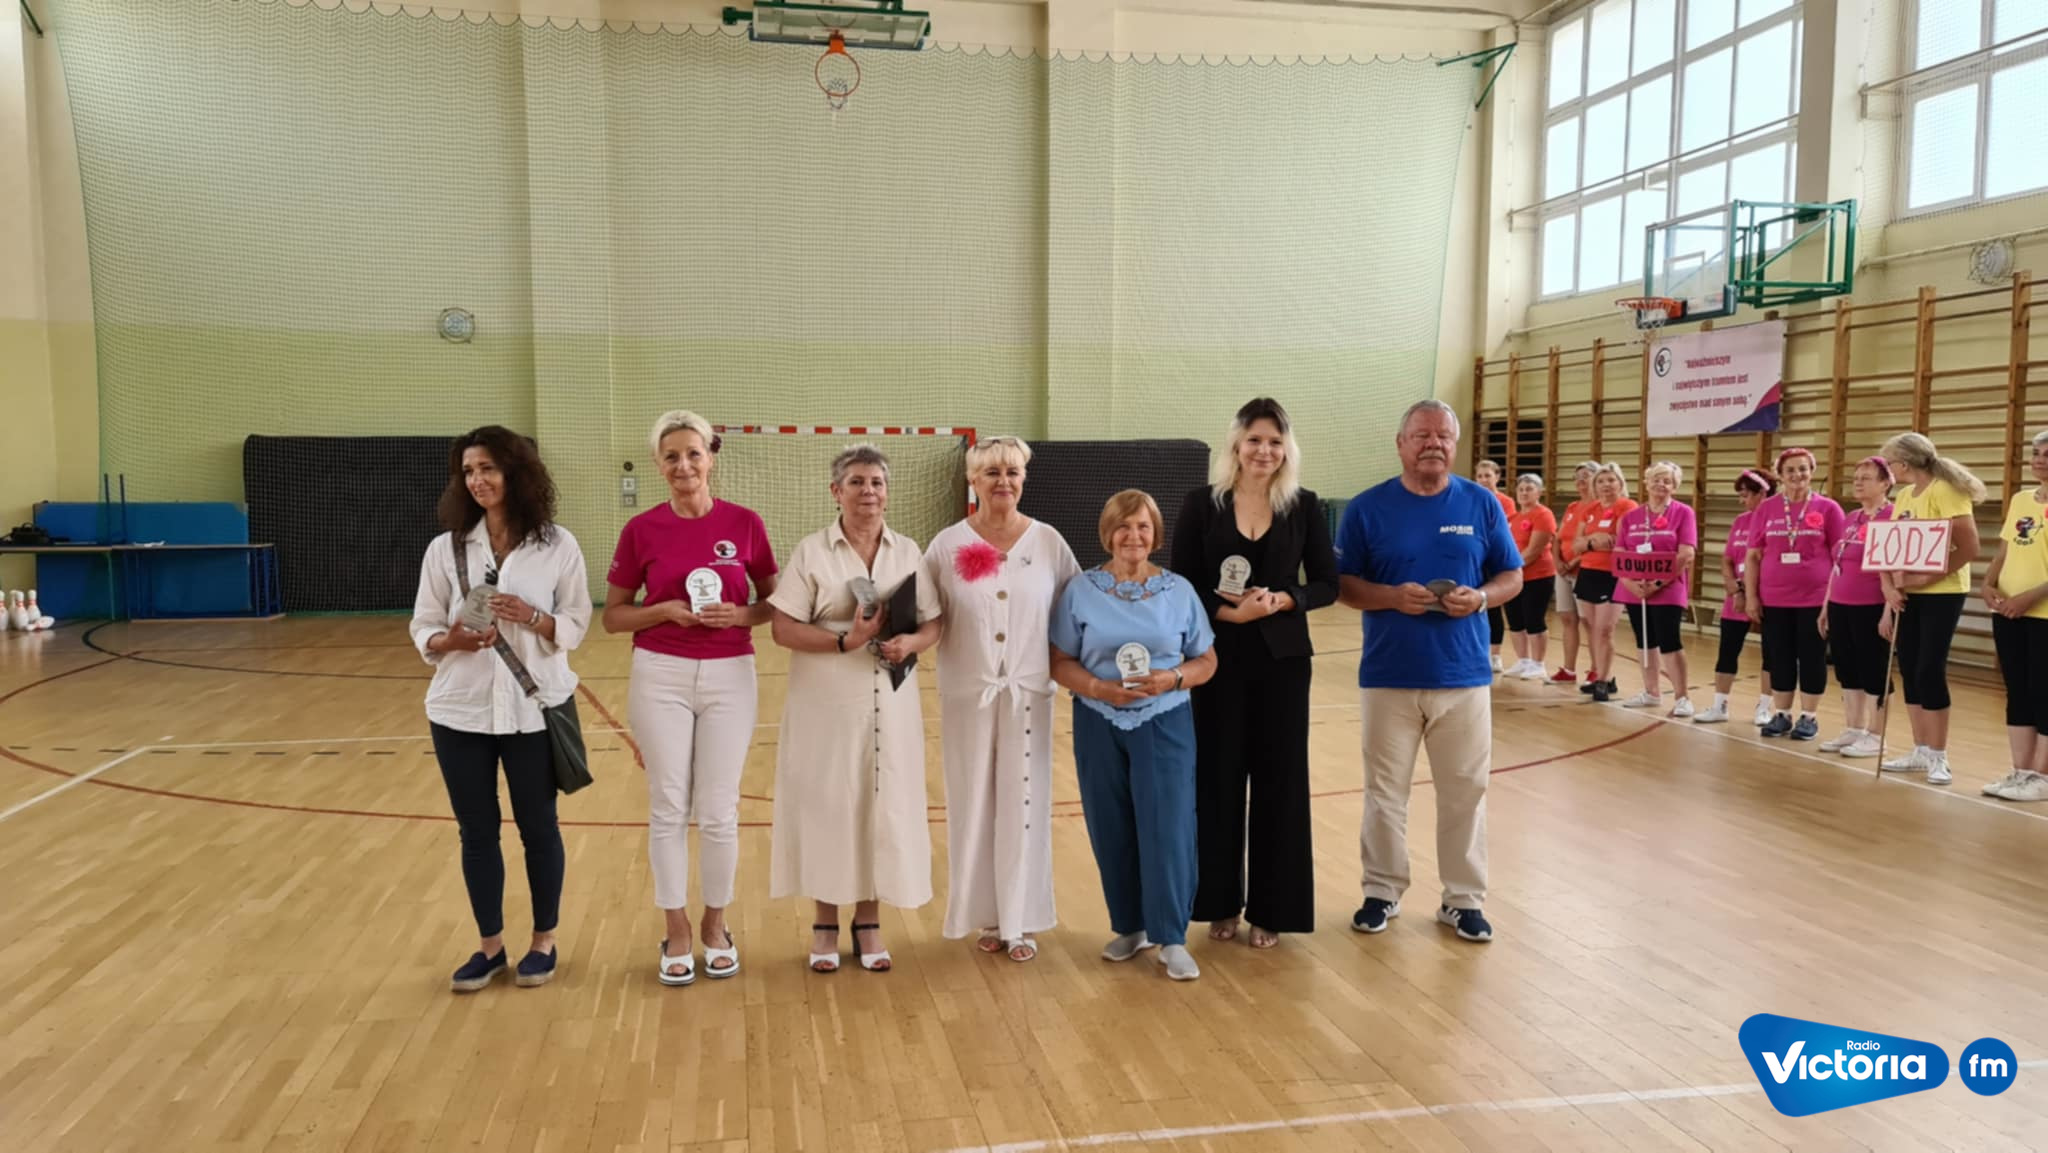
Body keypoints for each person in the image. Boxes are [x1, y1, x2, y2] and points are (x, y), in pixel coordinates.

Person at [409, 426, 592, 992]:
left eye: (487, 467)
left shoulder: (558, 545)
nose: (478, 480)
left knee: (539, 828)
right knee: (476, 833)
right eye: (468, 471)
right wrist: (449, 641)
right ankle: (489, 948)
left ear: (516, 472)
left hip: (532, 709)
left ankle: (544, 941)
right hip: (459, 711)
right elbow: (423, 624)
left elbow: (576, 622)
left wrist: (534, 618)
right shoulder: (445, 549)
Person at [604, 411, 779, 986]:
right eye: (672, 456)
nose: (684, 466)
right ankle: (676, 928)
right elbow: (613, 617)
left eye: (693, 454)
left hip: (731, 673)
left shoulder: (745, 523)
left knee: (720, 808)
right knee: (668, 805)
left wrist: (740, 615)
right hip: (661, 674)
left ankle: (715, 926)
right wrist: (661, 610)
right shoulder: (641, 530)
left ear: (711, 457)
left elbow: (773, 604)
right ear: (659, 465)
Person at [1338, 399, 1522, 944]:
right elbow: (1343, 585)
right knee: (1385, 793)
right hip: (1389, 674)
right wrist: (1392, 597)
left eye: (1443, 435)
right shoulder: (1367, 508)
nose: (1433, 444)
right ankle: (1382, 890)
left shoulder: (1481, 503)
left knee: (1465, 791)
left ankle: (1463, 900)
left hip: (1464, 676)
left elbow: (1511, 575)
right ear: (1401, 443)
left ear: (1455, 444)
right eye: (1421, 435)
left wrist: (1481, 598)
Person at [768, 444, 943, 971]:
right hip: (825, 699)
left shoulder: (908, 550)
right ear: (836, 492)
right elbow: (783, 628)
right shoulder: (812, 551)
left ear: (887, 492)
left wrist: (911, 643)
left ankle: (869, 922)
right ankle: (824, 922)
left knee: (880, 804)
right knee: (830, 803)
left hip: (891, 698)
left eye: (877, 483)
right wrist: (847, 641)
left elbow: (933, 621)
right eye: (857, 482)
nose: (868, 491)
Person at [1171, 398, 1336, 950]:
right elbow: (1183, 581)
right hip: (1217, 660)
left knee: (1280, 782)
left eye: (1275, 442)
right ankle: (1218, 902)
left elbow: (1327, 583)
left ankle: (1274, 908)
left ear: (1286, 449)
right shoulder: (1202, 503)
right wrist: (1229, 614)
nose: (1264, 451)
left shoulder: (1304, 505)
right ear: (1236, 446)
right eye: (1255, 440)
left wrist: (1287, 600)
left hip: (1284, 663)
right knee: (1217, 778)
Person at [1050, 490, 1219, 980]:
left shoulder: (1179, 591)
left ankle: (1172, 936)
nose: (1133, 536)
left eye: (1143, 526)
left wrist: (1173, 678)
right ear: (1108, 533)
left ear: (1156, 534)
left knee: (1168, 825)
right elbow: (1059, 660)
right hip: (1097, 719)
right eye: (1123, 526)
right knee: (1110, 823)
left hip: (1164, 719)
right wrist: (1097, 687)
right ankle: (1129, 925)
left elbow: (1207, 660)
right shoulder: (1080, 590)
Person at [925, 436, 1081, 962]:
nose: (1003, 481)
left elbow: (1075, 611)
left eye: (1012, 472)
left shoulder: (1049, 542)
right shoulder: (947, 545)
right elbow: (924, 613)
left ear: (1024, 479)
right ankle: (984, 917)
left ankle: (1020, 920)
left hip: (1029, 695)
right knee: (972, 803)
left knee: (1025, 803)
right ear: (972, 480)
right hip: (967, 693)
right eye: (991, 472)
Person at [1877, 432, 1985, 786]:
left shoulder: (1945, 490)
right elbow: (1891, 546)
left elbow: (1969, 547)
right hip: (1909, 593)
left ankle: (1939, 755)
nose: (1888, 470)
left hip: (1943, 592)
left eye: (1890, 464)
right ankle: (1920, 749)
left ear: (1905, 463)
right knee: (1909, 667)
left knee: (1929, 668)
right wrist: (1890, 587)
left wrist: (1925, 577)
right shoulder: (1905, 495)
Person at [1744, 448, 1846, 740]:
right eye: (1790, 470)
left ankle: (1809, 717)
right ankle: (1782, 714)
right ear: (1780, 475)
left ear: (1812, 472)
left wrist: (1832, 600)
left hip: (1815, 598)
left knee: (1812, 656)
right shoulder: (1767, 508)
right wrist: (1751, 597)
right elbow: (1752, 556)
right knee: (1779, 657)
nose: (1797, 475)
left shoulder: (1828, 508)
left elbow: (1840, 557)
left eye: (1803, 469)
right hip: (1774, 598)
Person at [1978, 429, 2048, 802]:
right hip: (2008, 611)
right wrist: (1989, 583)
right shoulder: (2022, 500)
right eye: (2036, 453)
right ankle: (2021, 771)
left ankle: (2043, 776)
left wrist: (2029, 598)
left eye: (2047, 455)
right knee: (2018, 690)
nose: (2040, 460)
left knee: (2044, 690)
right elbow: (2004, 551)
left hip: (2042, 613)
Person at [1816, 457, 1895, 757]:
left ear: (1885, 483)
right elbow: (1837, 563)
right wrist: (1827, 605)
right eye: (1856, 477)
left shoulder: (1893, 517)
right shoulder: (1851, 518)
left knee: (1874, 669)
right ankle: (1854, 728)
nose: (1858, 482)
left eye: (1866, 477)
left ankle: (1876, 734)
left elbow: (1895, 568)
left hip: (1872, 604)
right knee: (1847, 668)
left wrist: (1888, 611)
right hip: (1841, 603)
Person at [1612, 461, 1698, 716]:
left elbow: (1686, 554)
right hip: (1635, 589)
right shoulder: (1631, 517)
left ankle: (1682, 697)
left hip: (1668, 588)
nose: (1661, 484)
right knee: (1644, 639)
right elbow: (1619, 552)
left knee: (1669, 640)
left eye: (1667, 481)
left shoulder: (1683, 513)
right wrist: (1630, 582)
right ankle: (1651, 692)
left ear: (1675, 486)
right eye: (1656, 479)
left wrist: (1657, 583)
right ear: (1646, 483)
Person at [1694, 467, 1776, 725]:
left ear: (1762, 493)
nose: (1741, 501)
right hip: (1738, 596)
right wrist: (1735, 589)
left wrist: (1753, 594)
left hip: (1768, 596)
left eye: (1745, 495)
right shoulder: (1741, 521)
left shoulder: (1774, 521)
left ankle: (1765, 708)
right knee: (1727, 651)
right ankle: (1719, 705)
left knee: (1772, 654)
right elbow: (1728, 559)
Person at [1571, 463, 1636, 703]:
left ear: (1620, 483)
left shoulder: (1627, 506)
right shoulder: (1590, 509)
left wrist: (1593, 541)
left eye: (1611, 480)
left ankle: (1603, 680)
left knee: (1605, 629)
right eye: (1601, 481)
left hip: (1613, 574)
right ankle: (1602, 675)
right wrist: (1593, 541)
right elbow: (1576, 545)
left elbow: (1620, 541)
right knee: (1591, 627)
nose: (1606, 485)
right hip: (1588, 572)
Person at [1504, 474, 1557, 679]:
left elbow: (1534, 550)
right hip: (1514, 576)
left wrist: (1511, 567)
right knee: (1515, 619)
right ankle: (1523, 660)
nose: (1524, 493)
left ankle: (1538, 663)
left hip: (1538, 576)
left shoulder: (1543, 514)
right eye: (1521, 489)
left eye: (1529, 489)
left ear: (1539, 492)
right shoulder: (1512, 519)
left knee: (1534, 619)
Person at [1549, 462, 1599, 684]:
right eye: (1577, 477)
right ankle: (1568, 670)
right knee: (1567, 618)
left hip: (1584, 570)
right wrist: (1558, 561)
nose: (1580, 481)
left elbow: (1594, 542)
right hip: (1563, 571)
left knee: (1589, 621)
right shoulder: (1572, 507)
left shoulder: (1599, 508)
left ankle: (1596, 669)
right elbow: (1558, 538)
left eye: (1585, 476)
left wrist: (1573, 562)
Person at [1475, 459, 1516, 673]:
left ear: (1497, 477)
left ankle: (1495, 655)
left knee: (1492, 606)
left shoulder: (1505, 502)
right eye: (1480, 476)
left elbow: (1502, 531)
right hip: (1477, 559)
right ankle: (1479, 652)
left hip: (1494, 559)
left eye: (1487, 476)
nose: (1483, 480)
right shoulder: (1472, 498)